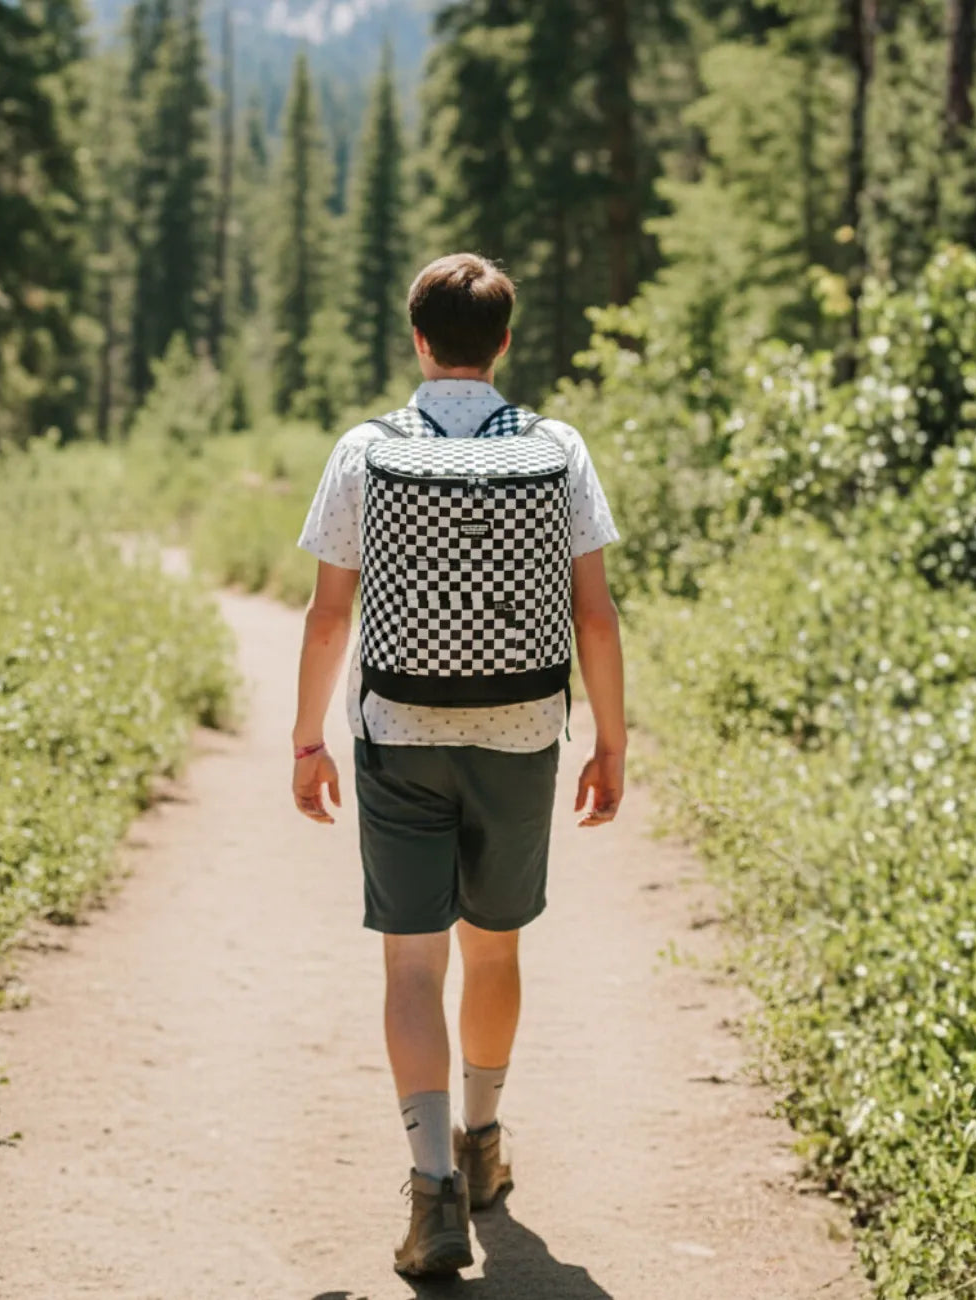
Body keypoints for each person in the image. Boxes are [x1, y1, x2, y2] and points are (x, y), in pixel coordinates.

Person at [291, 252, 627, 1278]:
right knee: (493, 949)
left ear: (417, 339)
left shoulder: (364, 450)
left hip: (399, 729)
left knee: (410, 962)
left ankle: (431, 1190)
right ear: (505, 343)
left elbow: (329, 611)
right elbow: (595, 613)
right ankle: (484, 1142)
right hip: (522, 732)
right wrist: (611, 740)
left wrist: (308, 737)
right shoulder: (558, 447)